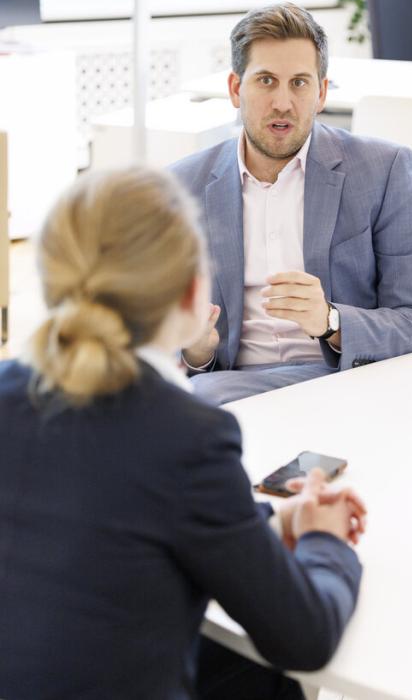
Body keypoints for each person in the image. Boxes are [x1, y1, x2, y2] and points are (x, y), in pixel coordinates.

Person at [0, 167, 365, 700]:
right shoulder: (188, 437)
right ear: (193, 291)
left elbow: (115, 524)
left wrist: (270, 521)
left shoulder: (10, 391)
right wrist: (324, 539)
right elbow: (303, 639)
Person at [173, 2, 412, 404]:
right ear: (235, 89)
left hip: (346, 377)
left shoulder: (383, 170)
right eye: (266, 80)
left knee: (200, 403)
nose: (283, 102)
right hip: (234, 384)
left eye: (299, 83)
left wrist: (331, 321)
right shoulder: (181, 187)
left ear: (320, 92)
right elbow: (160, 345)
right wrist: (197, 350)